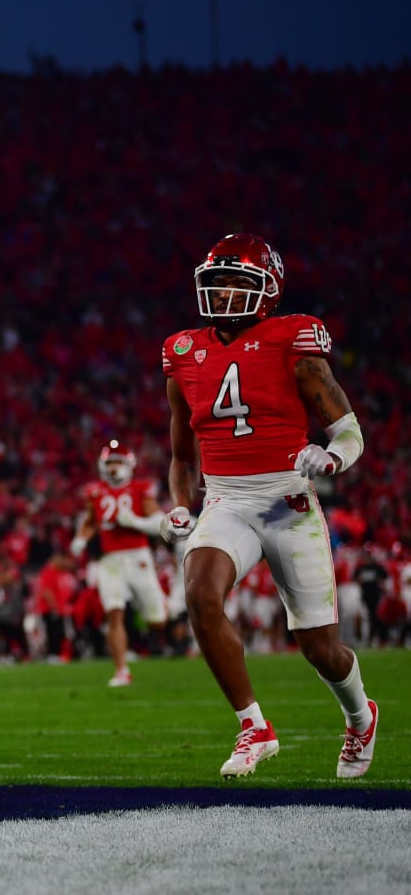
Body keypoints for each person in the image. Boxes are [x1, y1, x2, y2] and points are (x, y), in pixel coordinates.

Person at [161, 233, 377, 779]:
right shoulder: (183, 352)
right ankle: (253, 725)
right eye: (218, 282)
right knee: (200, 593)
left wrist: (331, 459)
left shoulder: (291, 338)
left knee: (320, 649)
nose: (225, 292)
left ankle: (359, 715)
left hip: (287, 497)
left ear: (269, 289)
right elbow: (182, 457)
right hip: (227, 498)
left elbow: (347, 430)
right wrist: (182, 505)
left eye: (239, 281)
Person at [69, 439, 169, 686]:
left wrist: (134, 521)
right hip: (109, 559)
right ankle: (122, 670)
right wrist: (80, 538)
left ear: (128, 465)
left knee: (158, 619)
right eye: (110, 463)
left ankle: (154, 618)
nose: (114, 468)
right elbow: (92, 521)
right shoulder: (95, 491)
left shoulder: (140, 489)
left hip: (138, 556)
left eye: (118, 463)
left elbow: (159, 522)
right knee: (113, 613)